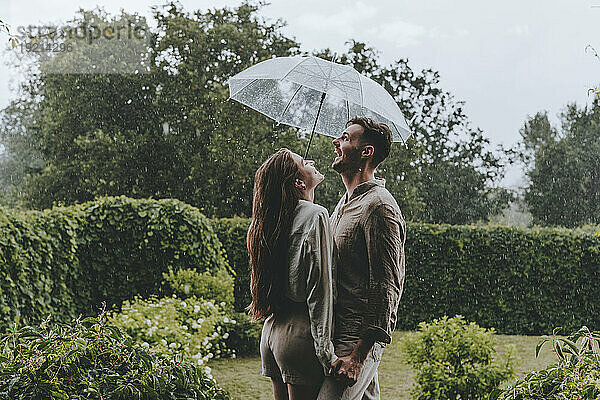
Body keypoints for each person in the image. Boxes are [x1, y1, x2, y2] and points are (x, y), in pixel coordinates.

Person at [318, 117, 406, 400]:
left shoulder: (379, 206)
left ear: (366, 151)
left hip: (355, 340)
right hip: (335, 331)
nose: (336, 142)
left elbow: (386, 286)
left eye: (345, 137)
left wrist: (359, 356)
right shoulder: (344, 203)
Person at [247, 148, 337, 400]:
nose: (311, 161)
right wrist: (325, 351)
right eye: (303, 162)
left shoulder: (270, 219)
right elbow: (321, 290)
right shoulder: (316, 214)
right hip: (300, 335)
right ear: (298, 182)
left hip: (272, 332)